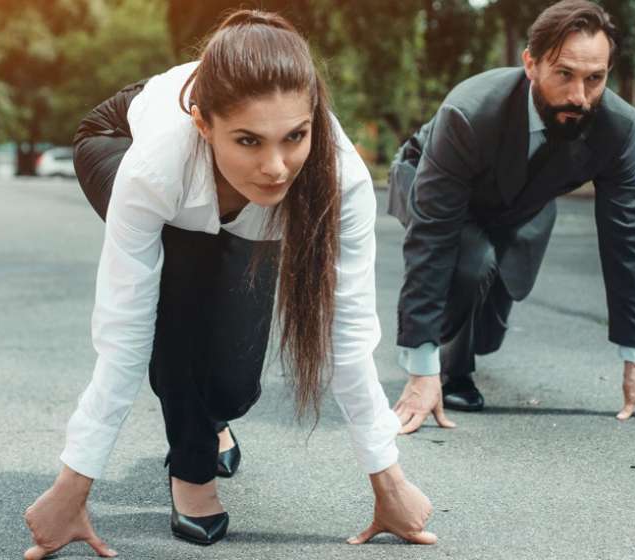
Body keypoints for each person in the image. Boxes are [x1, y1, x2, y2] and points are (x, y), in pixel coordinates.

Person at [23, 10, 435, 559]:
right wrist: (74, 486)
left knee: (234, 387)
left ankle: (212, 420)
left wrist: (389, 481)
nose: (276, 167)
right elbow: (124, 334)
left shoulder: (340, 177)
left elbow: (349, 334)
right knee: (184, 275)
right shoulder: (154, 171)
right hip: (116, 137)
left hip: (212, 178)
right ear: (205, 126)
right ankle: (193, 472)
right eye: (249, 141)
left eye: (295, 136)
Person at [389, 0, 635, 432]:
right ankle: (444, 371)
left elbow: (627, 242)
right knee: (470, 262)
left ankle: (459, 351)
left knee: (488, 328)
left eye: (595, 79)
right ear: (530, 63)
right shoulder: (469, 112)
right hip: (429, 179)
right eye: (564, 74)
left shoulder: (617, 126)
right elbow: (432, 240)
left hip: (521, 199)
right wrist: (422, 370)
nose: (579, 96)